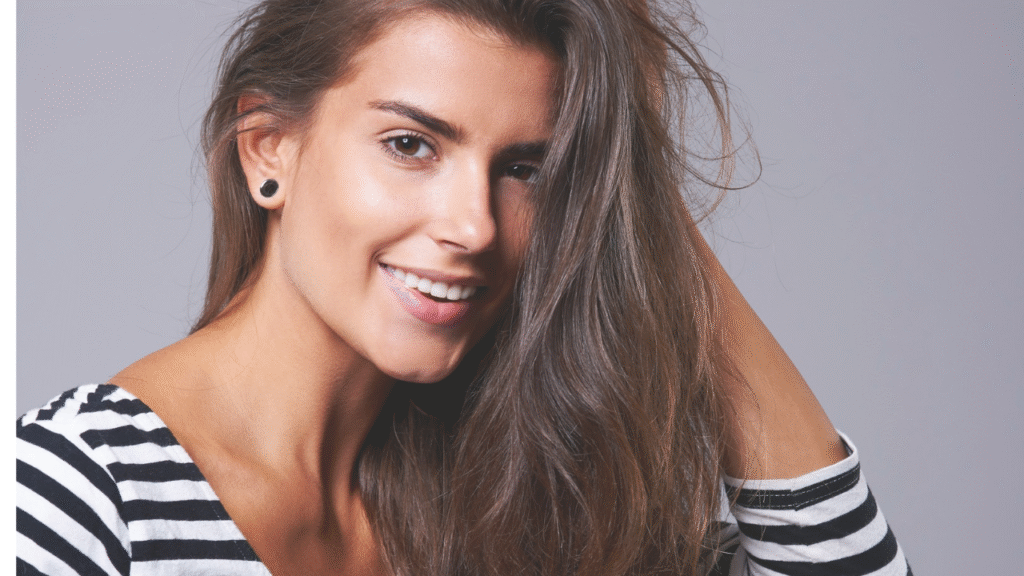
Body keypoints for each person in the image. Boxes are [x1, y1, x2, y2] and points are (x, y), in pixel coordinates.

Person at [16, 0, 912, 574]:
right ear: (267, 148)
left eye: (526, 169)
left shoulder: (519, 509)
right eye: (411, 145)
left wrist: (621, 171)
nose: (474, 226)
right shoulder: (75, 495)